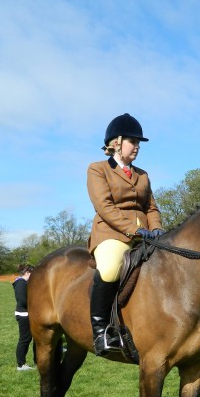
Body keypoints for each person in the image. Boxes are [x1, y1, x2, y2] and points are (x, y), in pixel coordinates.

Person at [86, 113, 164, 356]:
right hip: (112, 233)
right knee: (109, 268)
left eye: (139, 143)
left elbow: (151, 207)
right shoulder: (97, 169)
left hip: (145, 234)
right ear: (116, 143)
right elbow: (104, 207)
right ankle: (101, 332)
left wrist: (156, 228)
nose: (137, 147)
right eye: (133, 141)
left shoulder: (143, 175)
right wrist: (133, 229)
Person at [13, 263, 35, 370]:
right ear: (27, 273)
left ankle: (36, 361)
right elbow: (22, 300)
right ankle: (20, 365)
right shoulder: (21, 283)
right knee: (24, 339)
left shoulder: (24, 282)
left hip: (27, 314)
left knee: (29, 338)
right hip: (23, 315)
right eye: (32, 274)